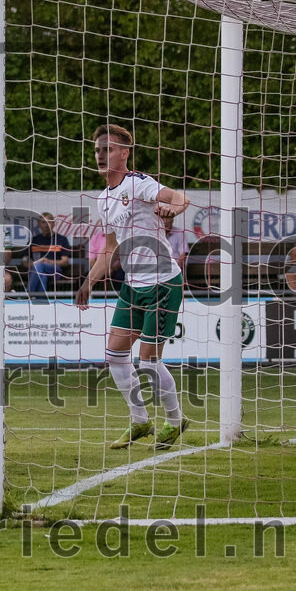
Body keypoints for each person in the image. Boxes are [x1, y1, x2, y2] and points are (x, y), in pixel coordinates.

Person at [75, 124, 190, 450]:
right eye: (97, 150)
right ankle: (140, 421)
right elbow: (110, 248)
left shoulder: (138, 184)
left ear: (124, 153)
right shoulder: (104, 199)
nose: (100, 155)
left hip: (163, 283)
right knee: (114, 355)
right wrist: (88, 281)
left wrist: (174, 208)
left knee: (149, 362)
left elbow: (180, 196)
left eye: (107, 149)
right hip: (132, 284)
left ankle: (174, 420)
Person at [25, 212, 71, 294]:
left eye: (49, 222)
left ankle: (28, 294)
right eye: (43, 222)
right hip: (36, 271)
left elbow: (65, 262)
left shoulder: (61, 239)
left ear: (54, 223)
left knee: (39, 266)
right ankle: (40, 300)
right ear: (39, 224)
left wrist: (49, 262)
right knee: (42, 275)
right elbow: (24, 261)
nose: (46, 225)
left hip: (55, 270)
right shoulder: (34, 240)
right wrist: (33, 264)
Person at [88, 225, 125, 290]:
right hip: (98, 267)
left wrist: (112, 268)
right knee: (86, 278)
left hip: (116, 268)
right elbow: (91, 260)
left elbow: (123, 258)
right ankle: (91, 298)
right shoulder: (95, 238)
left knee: (121, 276)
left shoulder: (121, 237)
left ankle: (121, 297)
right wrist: (101, 270)